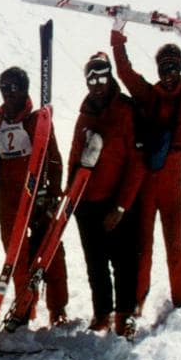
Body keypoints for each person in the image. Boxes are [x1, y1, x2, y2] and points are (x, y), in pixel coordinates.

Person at [110, 18, 181, 313]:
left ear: (180, 68)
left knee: (175, 247)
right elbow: (125, 72)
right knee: (143, 249)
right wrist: (117, 36)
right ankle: (138, 302)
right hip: (147, 183)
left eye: (172, 67)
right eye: (163, 67)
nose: (168, 74)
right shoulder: (148, 95)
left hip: (173, 184)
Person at [71, 51, 145, 336]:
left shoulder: (126, 109)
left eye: (102, 75)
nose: (97, 82)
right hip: (87, 201)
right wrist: (71, 198)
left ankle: (124, 314)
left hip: (116, 202)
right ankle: (102, 312)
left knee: (124, 261)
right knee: (95, 263)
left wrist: (122, 206)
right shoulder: (86, 113)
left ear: (110, 74)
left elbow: (136, 163)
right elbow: (75, 157)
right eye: (91, 77)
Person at [0, 66, 68, 326]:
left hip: (37, 194)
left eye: (13, 87)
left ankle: (58, 308)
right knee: (16, 256)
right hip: (9, 199)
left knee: (50, 250)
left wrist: (53, 194)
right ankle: (25, 306)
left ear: (24, 89)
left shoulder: (37, 120)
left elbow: (55, 159)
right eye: (3, 87)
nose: (8, 93)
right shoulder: (1, 122)